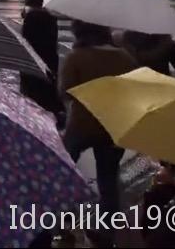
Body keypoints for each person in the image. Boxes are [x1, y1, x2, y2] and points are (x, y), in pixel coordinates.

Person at [59, 20, 138, 214]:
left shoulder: (76, 57)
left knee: (64, 168)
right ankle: (108, 223)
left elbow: (65, 91)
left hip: (81, 124)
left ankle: (61, 211)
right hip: (113, 126)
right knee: (108, 177)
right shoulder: (125, 57)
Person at [19, 0, 61, 115]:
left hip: (32, 59)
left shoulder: (31, 16)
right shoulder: (51, 17)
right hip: (49, 58)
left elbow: (25, 37)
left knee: (31, 96)